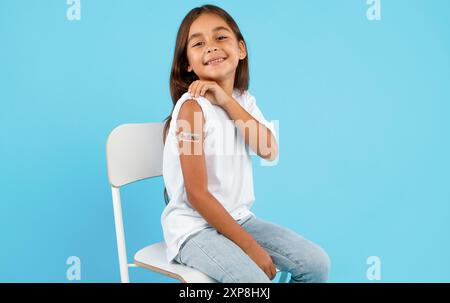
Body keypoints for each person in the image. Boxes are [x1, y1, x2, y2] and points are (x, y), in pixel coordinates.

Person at [161, 4, 330, 283]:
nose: (212, 47)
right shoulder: (191, 110)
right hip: (194, 230)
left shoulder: (243, 100)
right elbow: (197, 194)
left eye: (220, 37)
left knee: (316, 264)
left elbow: (268, 149)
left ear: (241, 49)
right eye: (199, 43)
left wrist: (226, 101)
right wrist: (251, 248)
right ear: (188, 63)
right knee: (255, 285)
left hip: (238, 220)